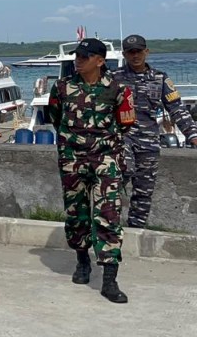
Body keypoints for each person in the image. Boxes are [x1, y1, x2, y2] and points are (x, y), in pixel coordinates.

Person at [46, 38, 133, 304]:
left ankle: (109, 279)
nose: (78, 60)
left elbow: (125, 123)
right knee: (77, 213)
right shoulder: (62, 87)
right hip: (73, 160)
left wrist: (101, 145)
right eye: (77, 56)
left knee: (109, 215)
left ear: (100, 60)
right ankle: (82, 261)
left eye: (85, 57)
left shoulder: (117, 89)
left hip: (106, 160)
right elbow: (55, 117)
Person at [113, 34, 197, 228]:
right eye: (131, 52)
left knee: (144, 191)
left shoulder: (160, 78)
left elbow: (176, 108)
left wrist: (192, 134)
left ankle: (136, 230)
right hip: (123, 137)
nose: (135, 55)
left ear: (147, 52)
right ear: (124, 54)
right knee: (123, 172)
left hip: (149, 141)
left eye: (139, 51)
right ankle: (109, 226)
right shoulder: (114, 78)